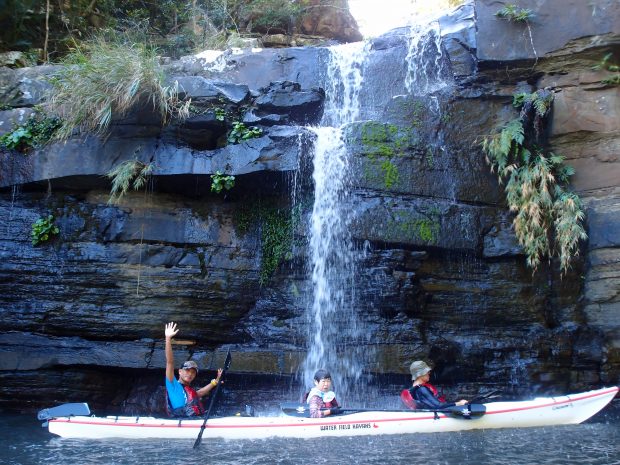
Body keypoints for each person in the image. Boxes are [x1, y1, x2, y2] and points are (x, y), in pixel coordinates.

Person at [164, 321, 223, 417]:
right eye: (187, 370)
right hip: (182, 422)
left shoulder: (189, 390)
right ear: (180, 371)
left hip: (194, 420)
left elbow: (199, 393)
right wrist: (167, 338)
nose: (190, 374)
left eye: (193, 372)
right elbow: (170, 362)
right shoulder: (172, 384)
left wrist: (215, 381)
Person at [403, 360, 468, 410]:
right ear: (420, 374)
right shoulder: (421, 389)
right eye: (427, 372)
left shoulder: (413, 388)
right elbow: (438, 406)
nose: (429, 373)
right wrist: (459, 403)